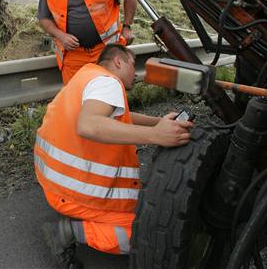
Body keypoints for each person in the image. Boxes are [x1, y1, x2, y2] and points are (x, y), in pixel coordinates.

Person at [35, 44, 193, 267]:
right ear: (118, 61)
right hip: (74, 192)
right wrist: (155, 135)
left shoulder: (88, 76)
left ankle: (81, 218)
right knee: (151, 231)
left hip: (54, 182)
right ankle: (68, 232)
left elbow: (121, 116)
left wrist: (159, 123)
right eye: (132, 64)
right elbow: (89, 125)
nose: (135, 74)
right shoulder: (109, 82)